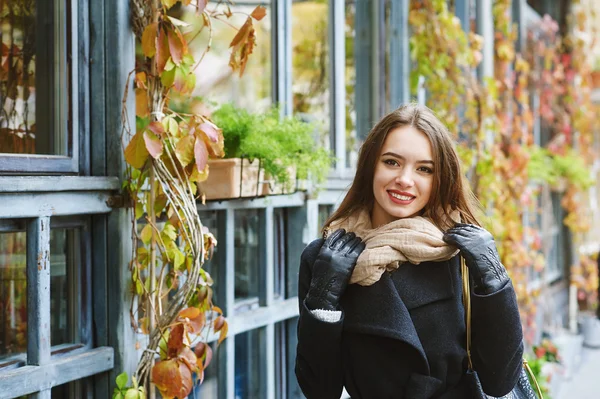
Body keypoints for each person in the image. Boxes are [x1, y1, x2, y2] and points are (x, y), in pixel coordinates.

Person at [295, 103, 524, 399]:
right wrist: (324, 298)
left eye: (424, 169)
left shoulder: (459, 251)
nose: (405, 179)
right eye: (391, 162)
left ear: (439, 179)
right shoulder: (326, 258)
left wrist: (494, 277)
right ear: (370, 166)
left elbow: (500, 379)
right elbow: (319, 389)